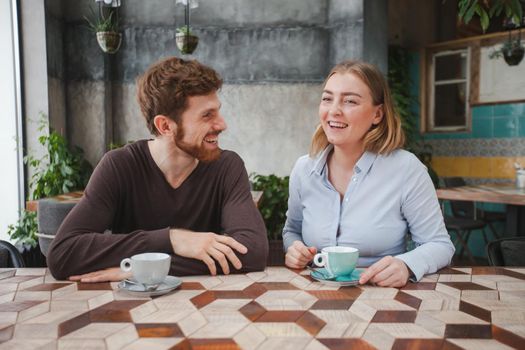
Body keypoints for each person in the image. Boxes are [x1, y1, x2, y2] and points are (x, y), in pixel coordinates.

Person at [47, 57, 268, 282]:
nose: (222, 124)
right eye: (207, 115)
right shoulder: (119, 166)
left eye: (217, 112)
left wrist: (144, 269)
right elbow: (63, 254)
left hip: (205, 305)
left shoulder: (227, 167)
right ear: (165, 126)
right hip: (129, 308)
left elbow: (252, 252)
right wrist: (172, 239)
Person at [283, 60, 454, 287]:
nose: (334, 110)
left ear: (377, 114)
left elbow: (440, 245)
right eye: (327, 98)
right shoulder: (304, 169)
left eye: (350, 101)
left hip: (384, 300)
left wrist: (406, 264)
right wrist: (294, 249)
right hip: (316, 296)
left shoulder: (406, 169)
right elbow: (292, 231)